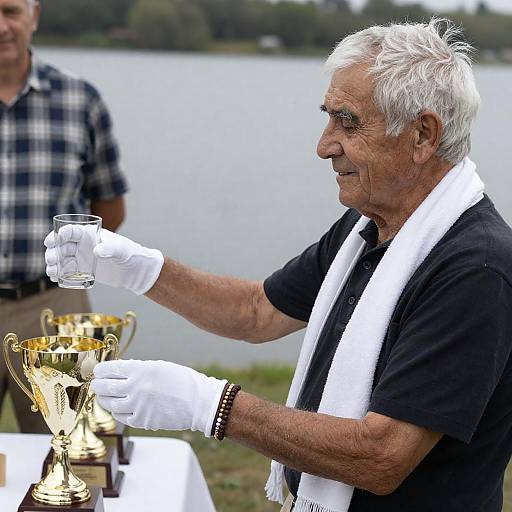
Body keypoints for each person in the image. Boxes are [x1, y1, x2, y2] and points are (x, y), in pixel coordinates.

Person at [45, 19, 512, 512]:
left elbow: (381, 456)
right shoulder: (371, 226)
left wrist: (211, 405)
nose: (324, 144)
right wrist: (141, 269)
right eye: (328, 117)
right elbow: (257, 311)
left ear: (422, 134)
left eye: (348, 122)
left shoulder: (475, 269)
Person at [0, 0, 128, 433]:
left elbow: (109, 207)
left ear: (33, 15)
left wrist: (68, 264)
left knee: (65, 448)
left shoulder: (81, 100)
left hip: (53, 305)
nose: (2, 26)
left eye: (11, 11)